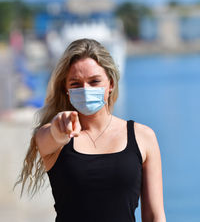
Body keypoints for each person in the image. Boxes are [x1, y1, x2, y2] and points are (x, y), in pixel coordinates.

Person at [15, 38, 166, 222]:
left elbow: (154, 216)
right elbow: (49, 137)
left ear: (110, 84)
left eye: (94, 82)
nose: (85, 90)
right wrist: (58, 130)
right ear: (67, 89)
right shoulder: (55, 135)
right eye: (76, 84)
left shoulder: (143, 137)